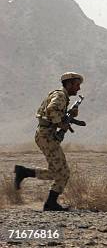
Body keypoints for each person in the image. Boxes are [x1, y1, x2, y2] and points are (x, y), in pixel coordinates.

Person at [14, 72, 84, 211]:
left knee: (57, 172)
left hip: (46, 136)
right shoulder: (60, 95)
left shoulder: (62, 97)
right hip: (46, 136)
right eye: (76, 85)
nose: (78, 89)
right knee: (63, 173)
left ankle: (25, 172)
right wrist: (61, 123)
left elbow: (53, 112)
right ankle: (50, 203)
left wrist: (69, 114)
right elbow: (51, 109)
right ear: (69, 84)